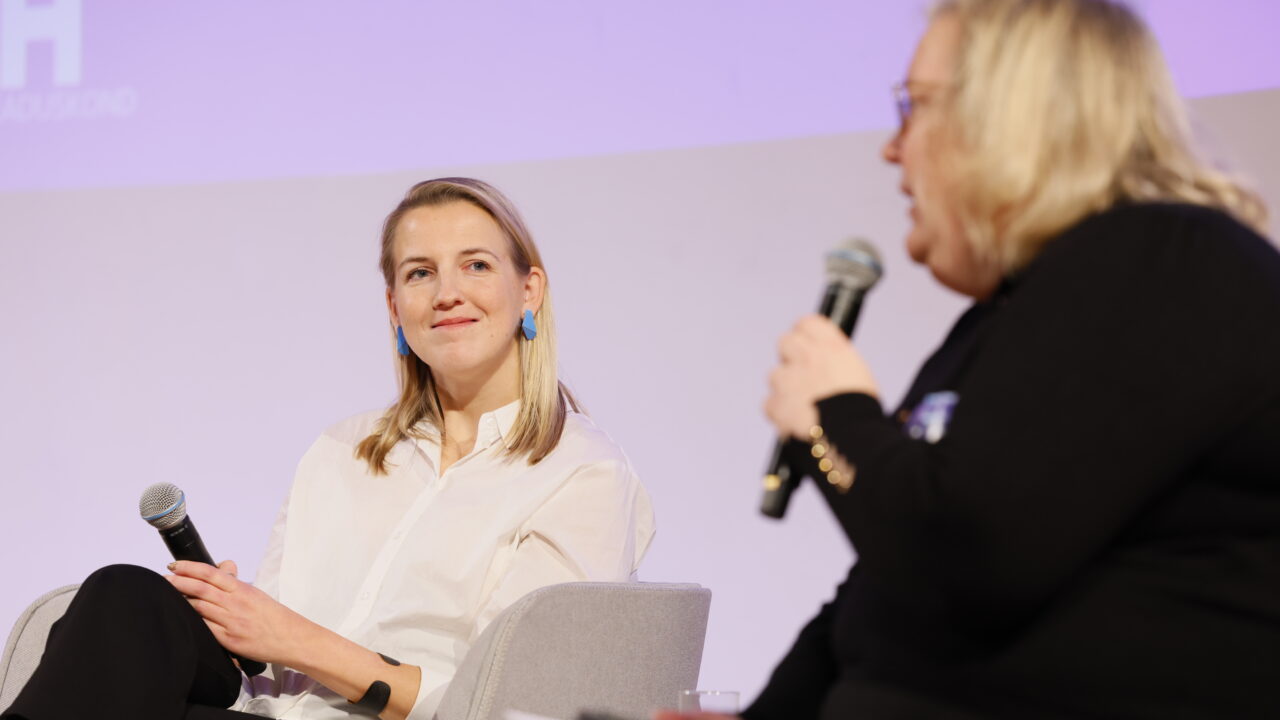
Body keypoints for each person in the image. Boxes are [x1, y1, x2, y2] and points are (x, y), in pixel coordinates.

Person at [668, 1, 1280, 718]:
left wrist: (831, 417)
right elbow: (884, 589)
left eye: (914, 108)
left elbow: (964, 556)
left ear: (1010, 117)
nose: (891, 149)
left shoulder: (1165, 260)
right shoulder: (1013, 310)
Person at [3, 177, 655, 720]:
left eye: (476, 265)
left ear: (530, 291)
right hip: (265, 711)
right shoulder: (343, 449)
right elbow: (266, 668)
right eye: (420, 273)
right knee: (125, 599)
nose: (448, 292)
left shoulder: (583, 473)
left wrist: (296, 639)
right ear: (396, 308)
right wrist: (239, 624)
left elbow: (509, 702)